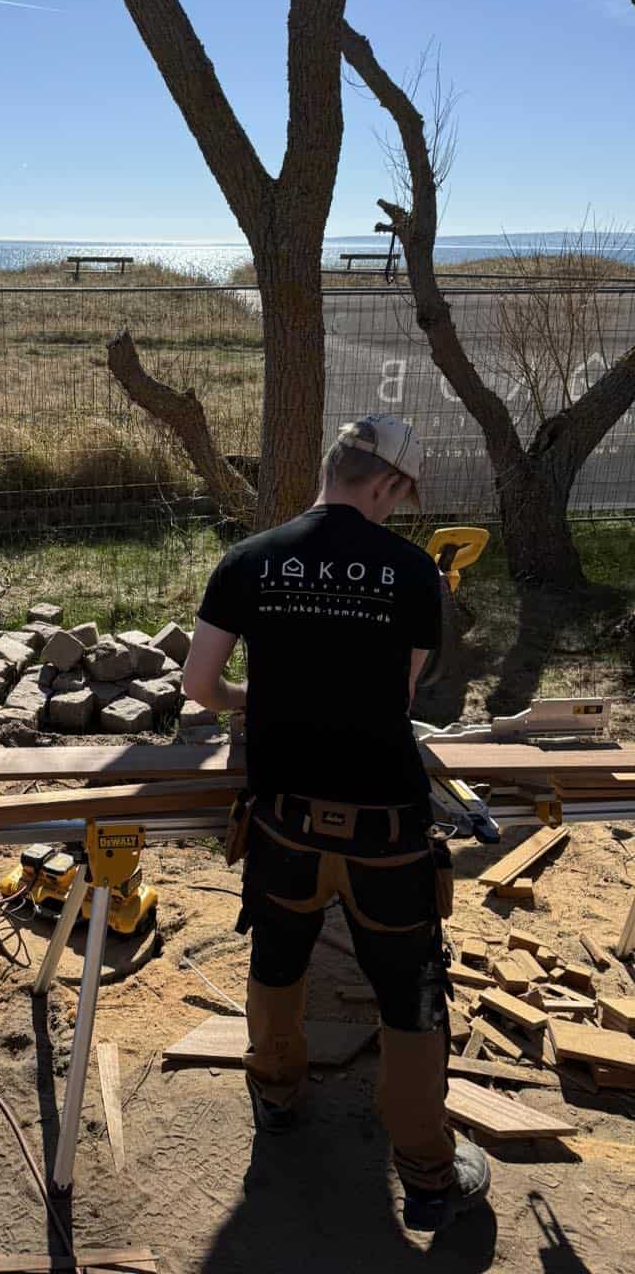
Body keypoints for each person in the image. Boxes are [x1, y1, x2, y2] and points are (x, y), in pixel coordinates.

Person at [181, 414, 491, 1233]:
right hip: (386, 830)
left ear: (331, 467)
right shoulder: (415, 572)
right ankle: (426, 1174)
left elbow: (201, 686)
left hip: (283, 820)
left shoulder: (248, 559)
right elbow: (393, 699)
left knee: (278, 956)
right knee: (409, 988)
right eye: (401, 498)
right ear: (387, 485)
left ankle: (278, 1099)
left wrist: (262, 701)